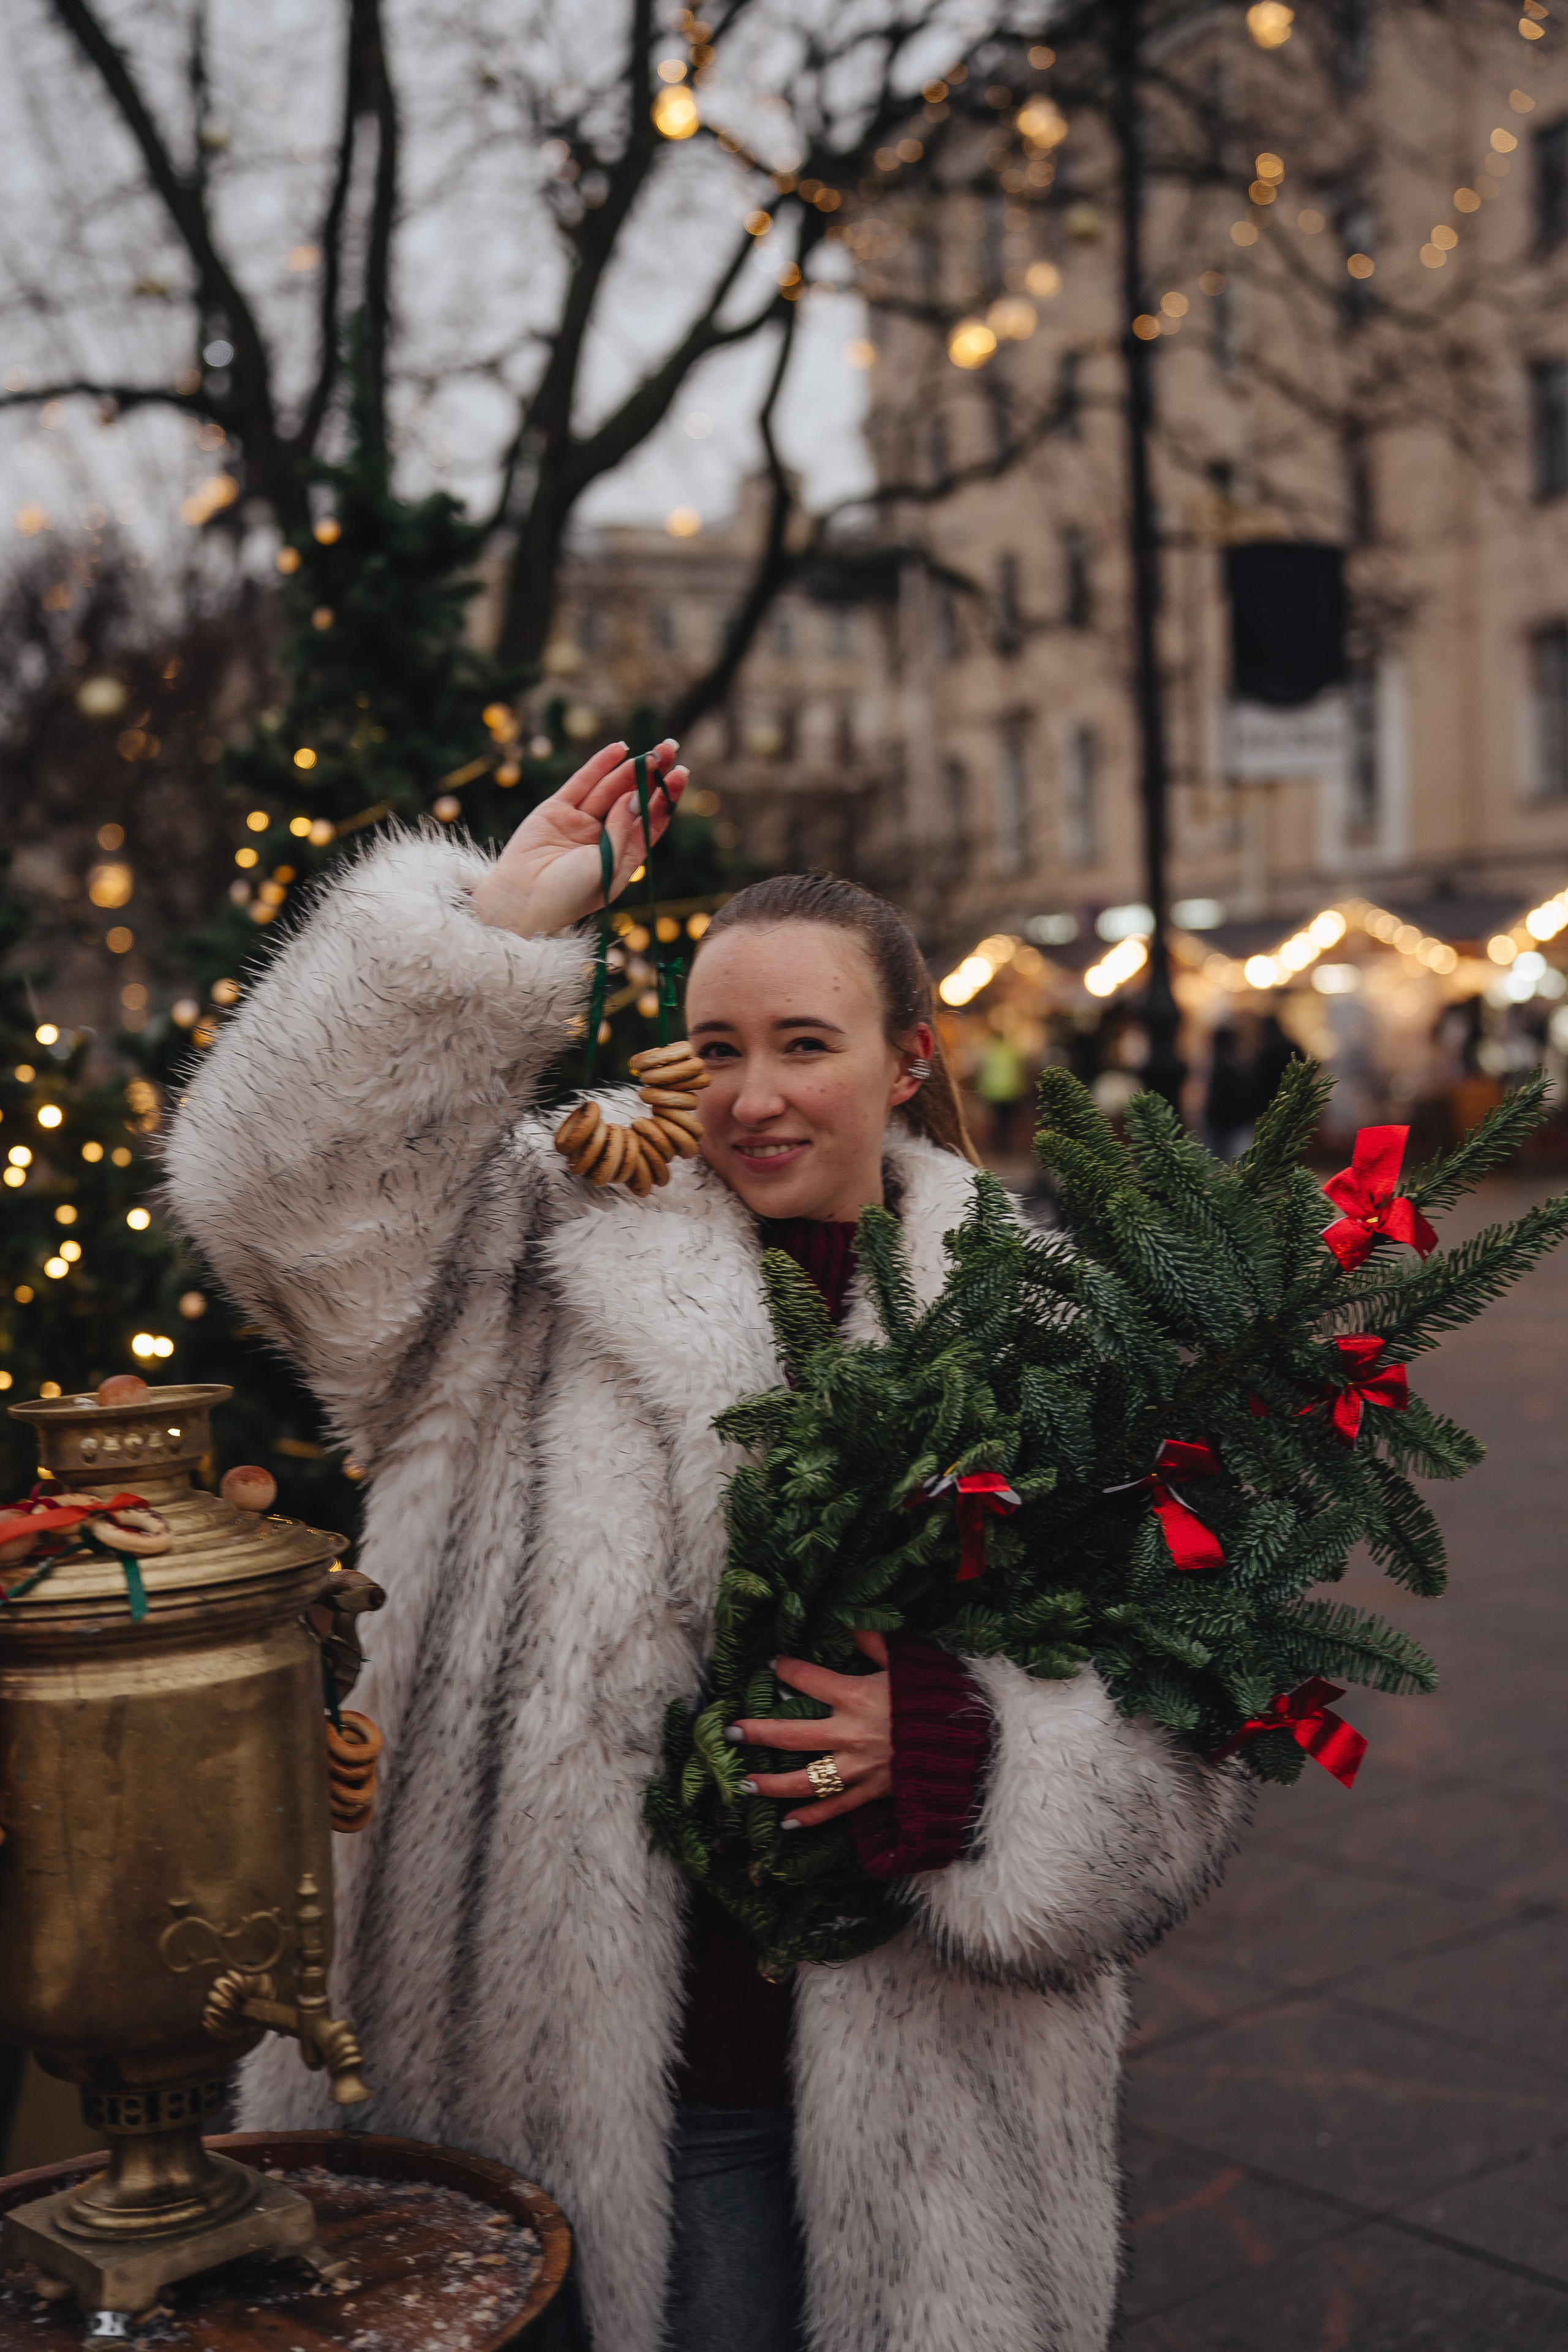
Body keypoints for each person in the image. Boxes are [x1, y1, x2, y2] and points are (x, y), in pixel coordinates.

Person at [164, 740, 1246, 2352]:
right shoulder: (515, 1256)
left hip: (929, 2116)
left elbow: (1184, 1752)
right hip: (544, 2088)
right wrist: (490, 937)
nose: (749, 1095)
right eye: (716, 1045)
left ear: (904, 1063)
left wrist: (972, 1756)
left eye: (806, 1043)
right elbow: (266, 1197)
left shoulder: (1041, 1333)